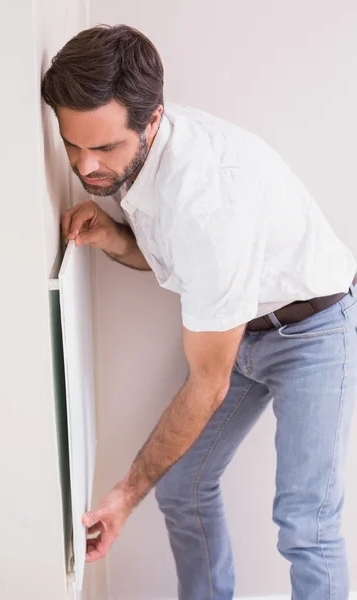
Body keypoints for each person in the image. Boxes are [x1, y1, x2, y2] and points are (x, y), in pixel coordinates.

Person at [42, 24, 357, 600]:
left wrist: (124, 495)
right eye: (72, 144)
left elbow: (208, 382)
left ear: (152, 120)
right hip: (241, 329)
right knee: (183, 486)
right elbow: (178, 259)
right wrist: (115, 238)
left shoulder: (209, 202)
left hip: (314, 331)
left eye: (105, 148)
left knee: (305, 523)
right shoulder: (147, 151)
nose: (85, 167)